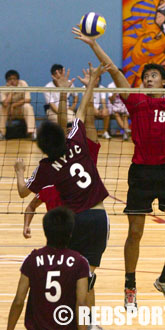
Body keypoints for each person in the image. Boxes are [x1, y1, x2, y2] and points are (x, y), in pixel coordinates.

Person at [72, 27, 165, 307]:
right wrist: (93, 44)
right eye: (145, 77)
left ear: (163, 82)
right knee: (135, 233)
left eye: (153, 76)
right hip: (140, 173)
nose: (148, 78)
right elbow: (114, 69)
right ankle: (130, 285)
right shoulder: (135, 100)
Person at [14, 63, 109, 330]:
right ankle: (89, 325)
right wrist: (87, 84)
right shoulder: (77, 141)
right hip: (100, 218)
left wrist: (20, 171)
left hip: (76, 221)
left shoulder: (45, 169)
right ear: (63, 135)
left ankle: (73, 322)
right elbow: (80, 111)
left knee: (77, 278)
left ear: (42, 147)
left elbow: (23, 192)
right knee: (88, 276)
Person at [23, 67, 101, 238]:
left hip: (74, 221)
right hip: (92, 216)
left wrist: (64, 92)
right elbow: (83, 120)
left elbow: (70, 122)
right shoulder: (83, 150)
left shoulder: (48, 169)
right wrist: (89, 88)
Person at [7, 206, 89, 330]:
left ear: (45, 231)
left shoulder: (32, 259)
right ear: (71, 233)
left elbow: (19, 300)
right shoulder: (80, 262)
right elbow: (82, 304)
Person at [0, 70, 36, 141]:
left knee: (28, 106)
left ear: (18, 80)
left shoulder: (23, 84)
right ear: (7, 81)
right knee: (1, 108)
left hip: (20, 111)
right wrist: (11, 91)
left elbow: (28, 99)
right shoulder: (4, 88)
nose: (12, 81)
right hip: (9, 112)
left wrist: (13, 105)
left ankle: (32, 132)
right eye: (10, 79)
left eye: (14, 79)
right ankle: (1, 133)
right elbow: (5, 104)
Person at [107, 71, 130, 141]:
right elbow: (111, 100)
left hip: (123, 104)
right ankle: (126, 129)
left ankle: (125, 134)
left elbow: (128, 98)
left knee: (125, 116)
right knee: (116, 113)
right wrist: (116, 90)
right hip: (113, 104)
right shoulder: (110, 86)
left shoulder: (126, 85)